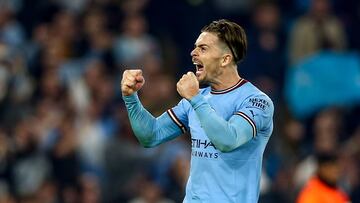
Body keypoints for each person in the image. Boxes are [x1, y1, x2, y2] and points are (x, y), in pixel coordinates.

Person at [121, 19, 274, 203]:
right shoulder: (196, 99)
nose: (193, 53)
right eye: (195, 47)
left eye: (203, 48)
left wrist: (195, 99)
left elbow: (228, 140)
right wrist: (131, 98)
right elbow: (151, 135)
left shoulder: (256, 101)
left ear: (225, 59)